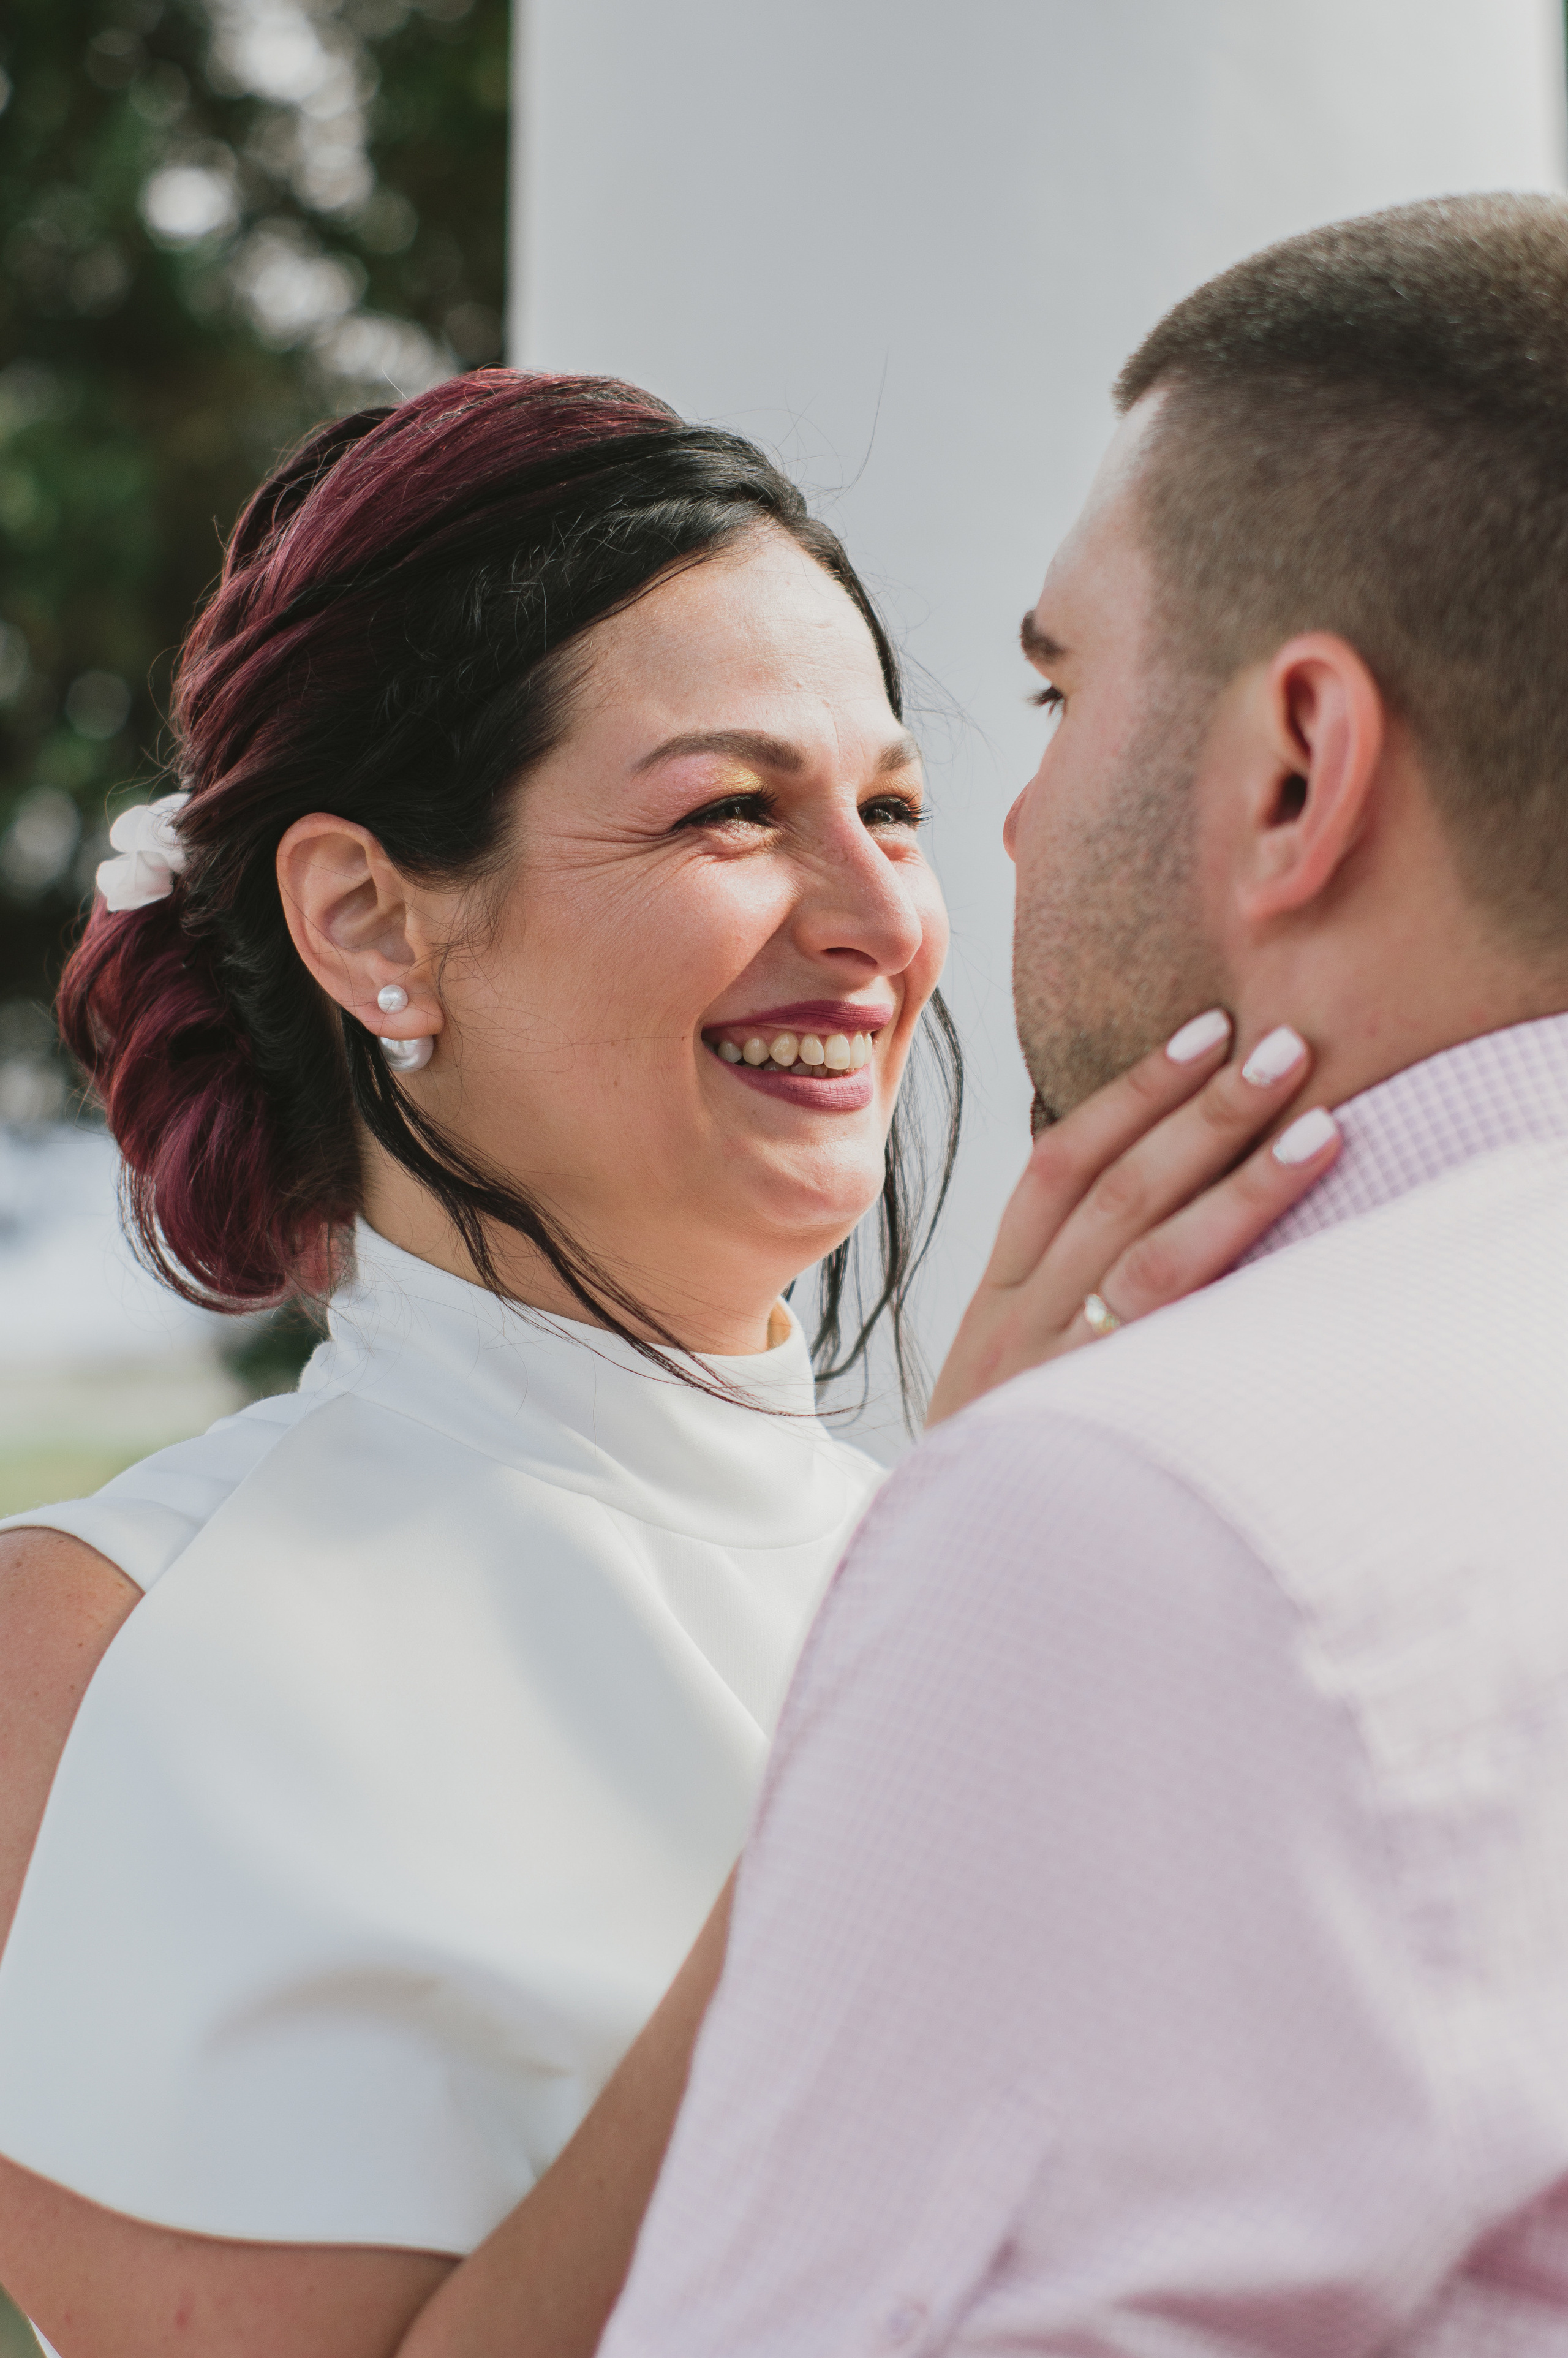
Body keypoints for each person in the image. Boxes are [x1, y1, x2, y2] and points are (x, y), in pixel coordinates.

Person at [0, 372, 1335, 2357]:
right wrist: (940, 1658)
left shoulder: (999, 1551)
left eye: (891, 806)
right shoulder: (96, 1648)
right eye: (735, 809)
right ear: (373, 920)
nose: (888, 916)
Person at [597, 192, 1568, 2358]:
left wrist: (1038, 1498)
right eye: (730, 814)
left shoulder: (1147, 1524)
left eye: (1054, 692)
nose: (977, 858)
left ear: (1295, 765)